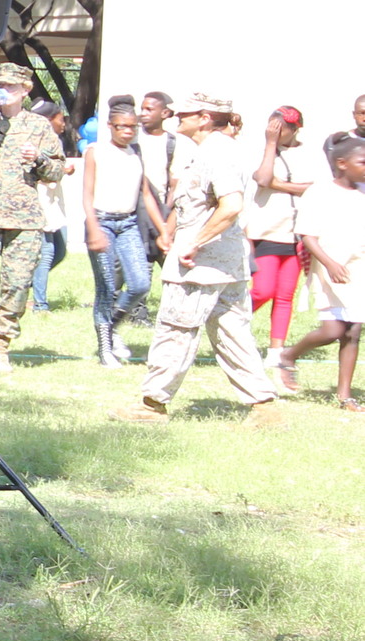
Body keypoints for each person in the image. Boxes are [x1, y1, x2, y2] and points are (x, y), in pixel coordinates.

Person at [116, 91, 281, 424]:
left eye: (185, 113)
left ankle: (151, 405)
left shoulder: (216, 154)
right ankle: (265, 407)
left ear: (205, 117)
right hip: (226, 263)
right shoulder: (216, 150)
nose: (177, 118)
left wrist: (193, 243)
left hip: (201, 265)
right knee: (233, 333)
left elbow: (231, 205)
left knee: (175, 329)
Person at [0, 62, 67, 372]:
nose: (5, 91)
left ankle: (1, 345)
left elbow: (56, 171)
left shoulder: (38, 126)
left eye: (11, 87)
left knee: (17, 284)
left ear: (25, 90)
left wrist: (40, 159)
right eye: (1, 85)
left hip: (24, 219)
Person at [282, 129, 365, 407]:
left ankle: (345, 395)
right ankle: (289, 355)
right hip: (329, 271)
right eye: (363, 162)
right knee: (333, 331)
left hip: (358, 271)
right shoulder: (320, 191)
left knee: (353, 332)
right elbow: (307, 234)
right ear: (342, 163)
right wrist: (329, 263)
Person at [81, 96, 155, 366]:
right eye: (121, 126)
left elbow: (146, 193)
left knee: (140, 283)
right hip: (101, 222)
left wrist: (164, 230)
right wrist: (93, 230)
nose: (127, 131)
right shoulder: (95, 151)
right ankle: (105, 351)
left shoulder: (135, 153)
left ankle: (110, 330)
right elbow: (86, 195)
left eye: (132, 127)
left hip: (128, 223)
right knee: (107, 287)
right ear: (110, 126)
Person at [247, 106, 310, 374]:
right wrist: (270, 144)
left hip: (296, 232)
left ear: (295, 129)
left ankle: (276, 351)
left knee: (285, 295)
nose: (275, 132)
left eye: (280, 129)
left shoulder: (309, 153)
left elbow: (313, 188)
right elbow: (262, 178)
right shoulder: (263, 149)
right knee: (263, 290)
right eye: (272, 127)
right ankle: (229, 320)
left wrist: (278, 184)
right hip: (265, 230)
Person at [29, 103, 76, 314]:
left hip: (54, 205)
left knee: (60, 251)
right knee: (46, 253)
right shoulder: (32, 140)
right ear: (48, 120)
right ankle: (40, 304)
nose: (63, 123)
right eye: (60, 119)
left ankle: (23, 286)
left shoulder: (54, 140)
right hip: (41, 203)